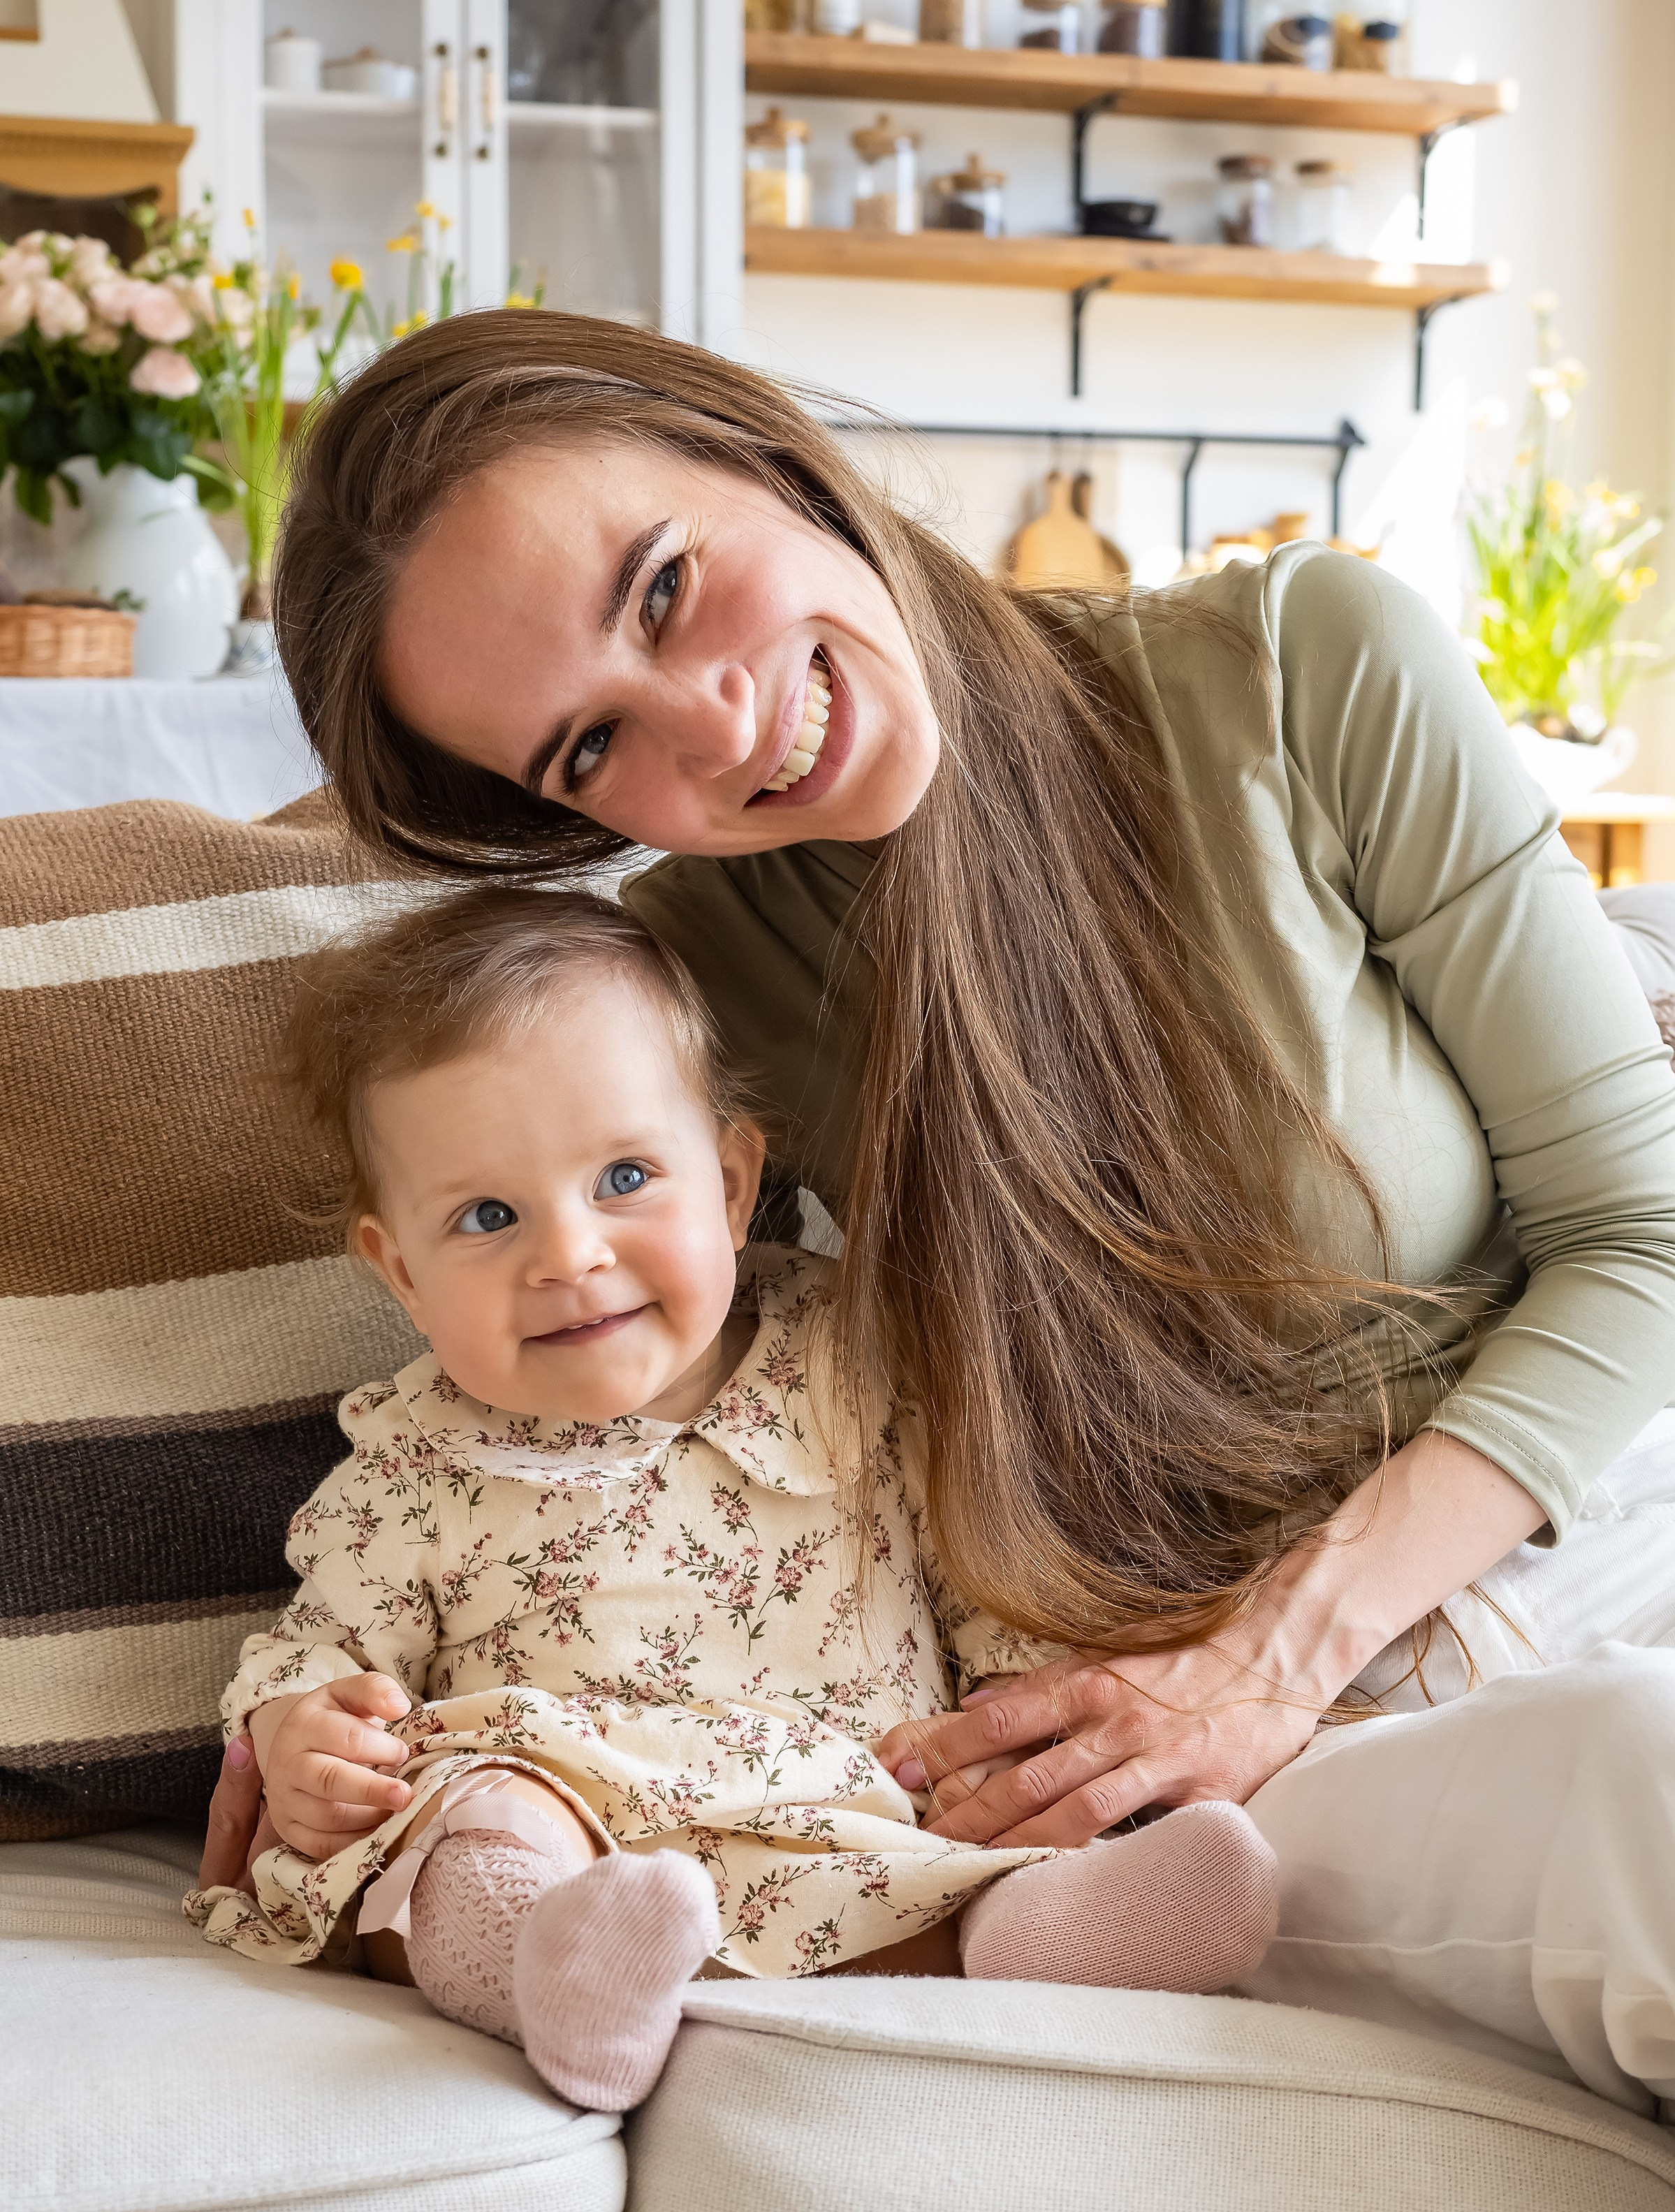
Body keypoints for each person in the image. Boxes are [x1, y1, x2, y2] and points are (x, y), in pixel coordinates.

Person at [237, 309, 1675, 2115]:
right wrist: (328, 1737)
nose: (717, 727)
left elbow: (1647, 1231)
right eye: (593, 749)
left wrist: (1263, 1659)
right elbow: (617, 1382)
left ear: (750, 445)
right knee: (1645, 1787)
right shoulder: (696, 992)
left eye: (669, 586)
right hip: (1258, 1727)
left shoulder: (1304, 666)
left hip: (1569, 1521)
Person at [189, 885, 1279, 2111]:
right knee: (464, 1835)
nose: (568, 1254)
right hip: (565, 1821)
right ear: (400, 1270)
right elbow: (322, 1649)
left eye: (624, 1176)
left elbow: (982, 1567)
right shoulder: (414, 1462)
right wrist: (299, 1734)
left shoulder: (860, 1366)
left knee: (953, 1863)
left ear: (730, 1179)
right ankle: (552, 1970)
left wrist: (1029, 1735)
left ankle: (1038, 1932)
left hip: (839, 1808)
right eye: (488, 1216)